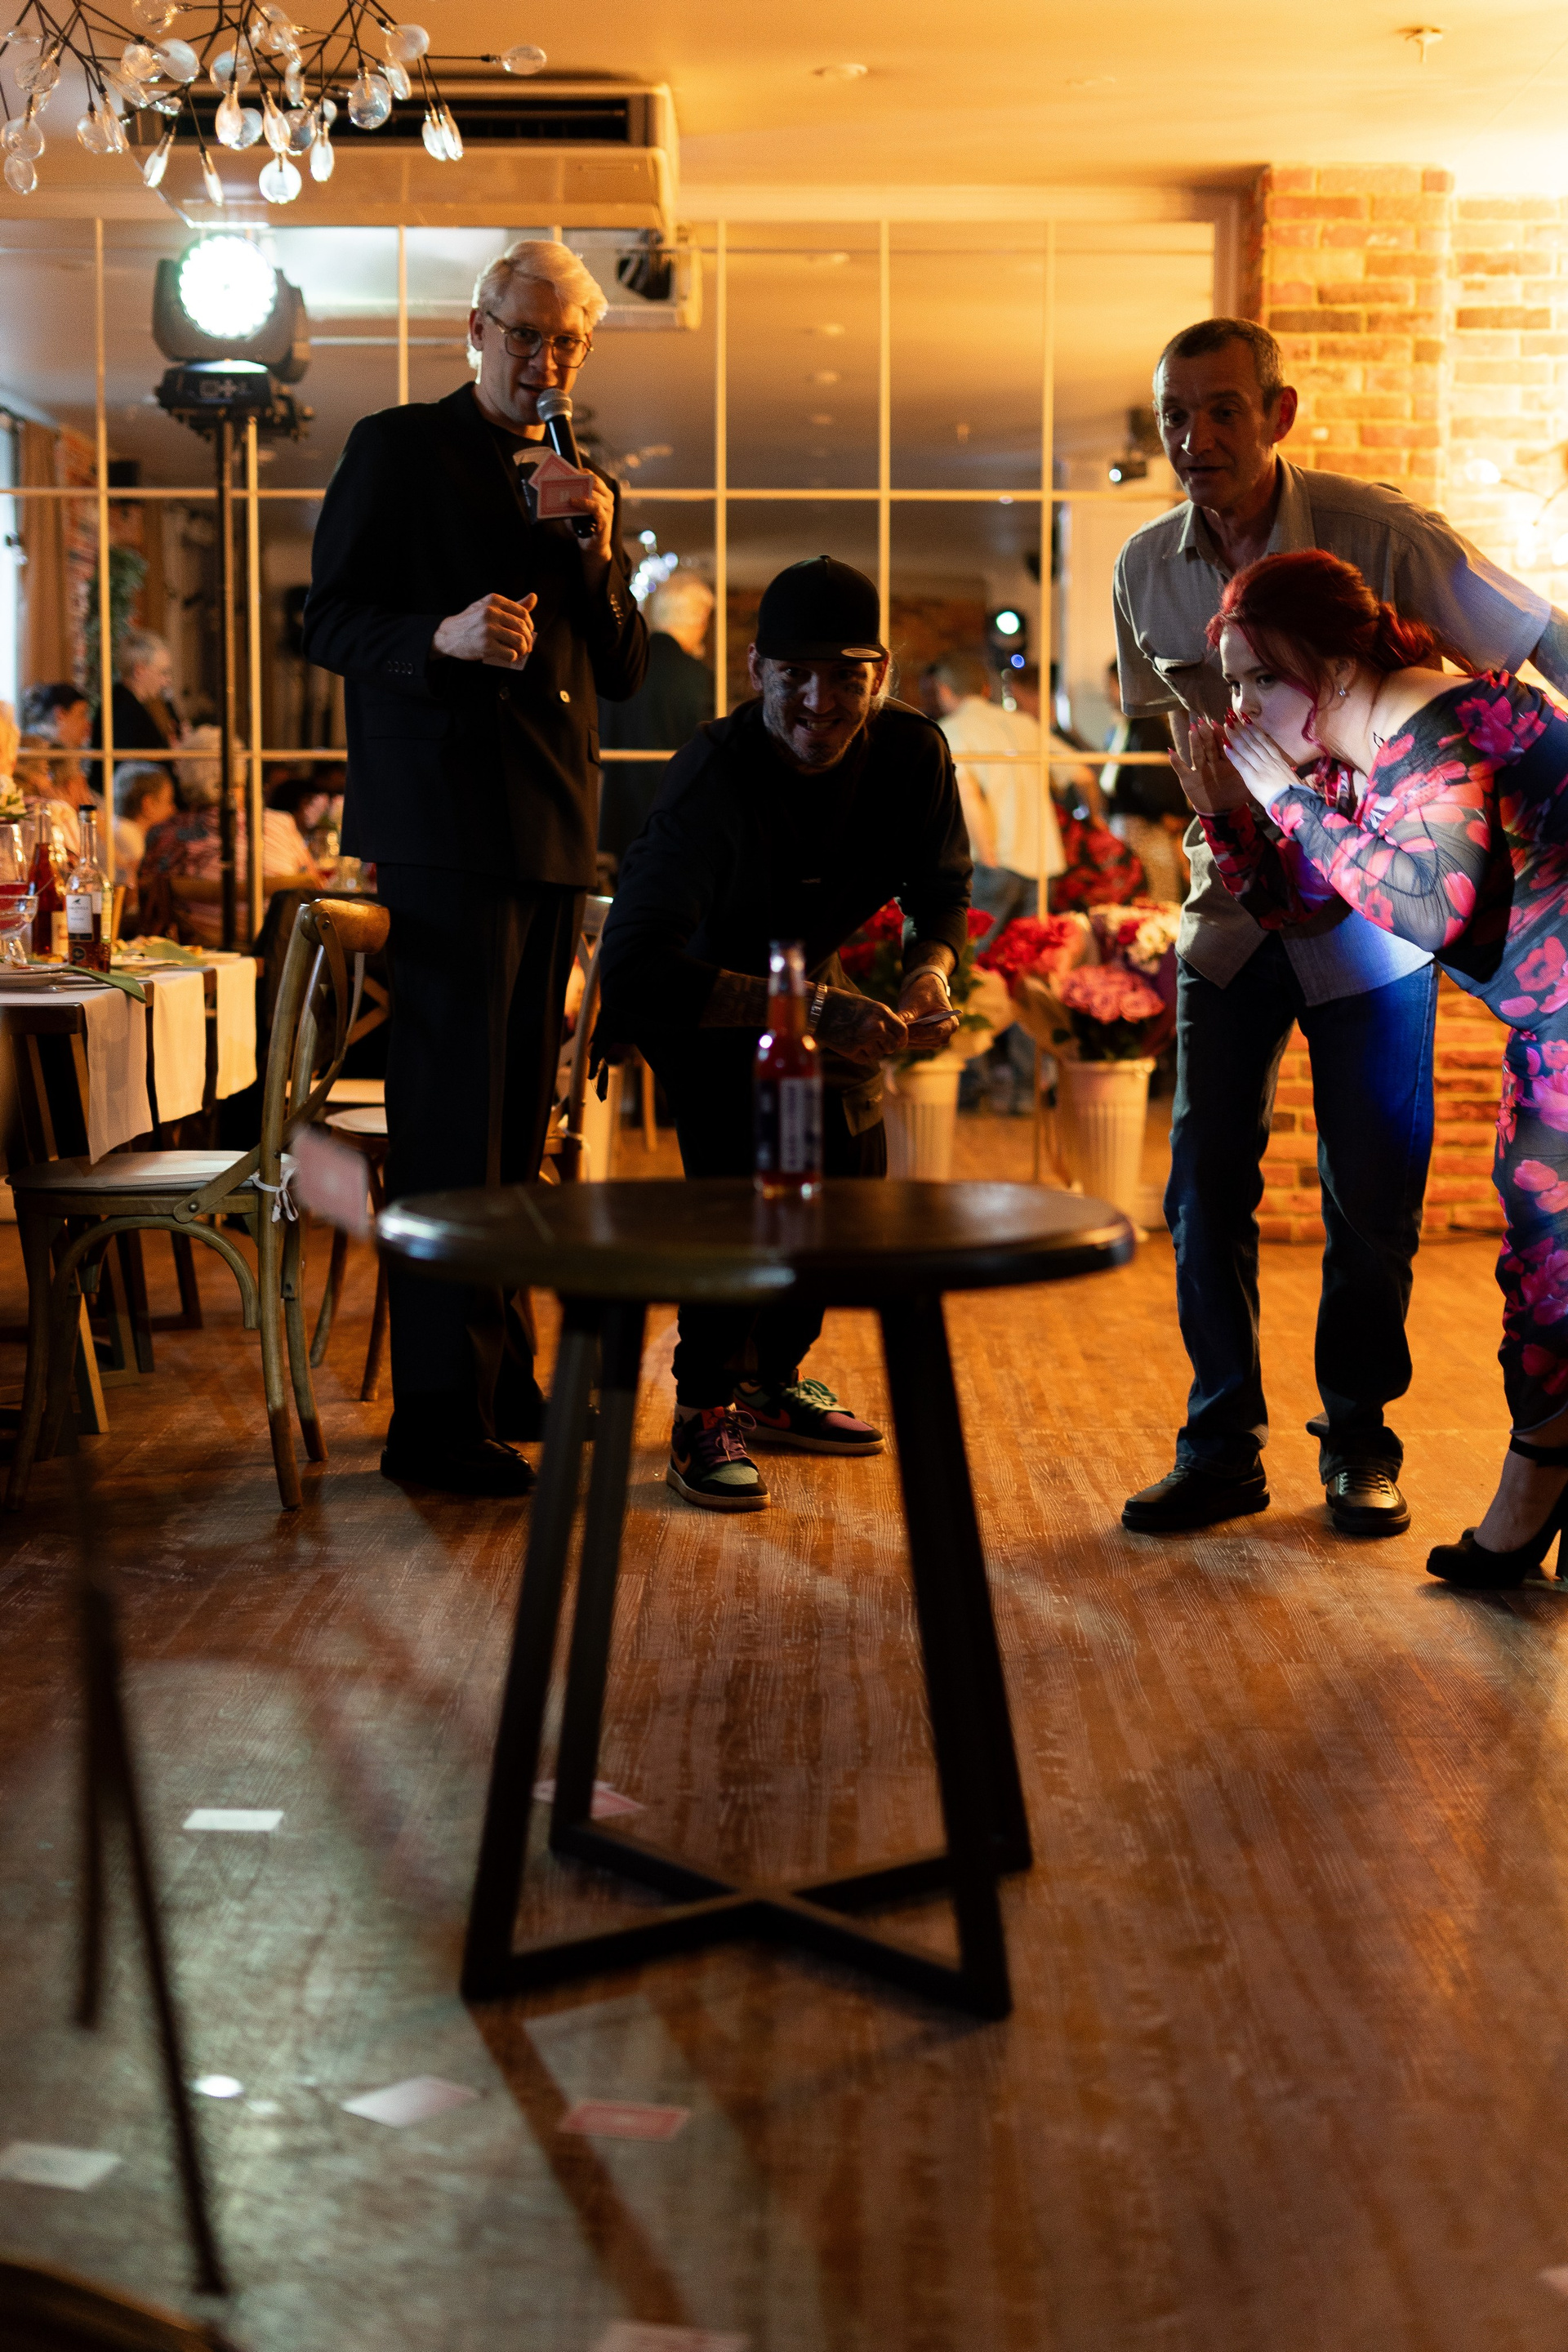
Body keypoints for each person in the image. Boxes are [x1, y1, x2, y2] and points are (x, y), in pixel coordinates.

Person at [1113, 314, 1568, 1539]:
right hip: (1238, 908)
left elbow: (1535, 643)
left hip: (1381, 906)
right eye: (1174, 417)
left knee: (1373, 1195)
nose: (1195, 438)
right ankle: (1220, 1446)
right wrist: (1230, 819)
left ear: (1279, 414)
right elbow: (1179, 745)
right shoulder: (1144, 569)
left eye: (1221, 410)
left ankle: (1360, 1441)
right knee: (1205, 1185)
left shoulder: (1380, 537)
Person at [302, 237, 648, 1499]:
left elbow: (622, 668)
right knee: (449, 1130)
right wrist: (438, 637)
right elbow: (326, 619)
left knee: (513, 1134)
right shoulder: (398, 448)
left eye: (567, 343)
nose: (544, 360)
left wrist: (598, 551)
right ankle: (434, 1418)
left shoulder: (584, 480)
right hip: (442, 829)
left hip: (551, 832)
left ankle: (502, 1385)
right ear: (478, 329)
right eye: (525, 335)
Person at [1185, 550, 1568, 1588]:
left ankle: (1528, 1503)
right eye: (1233, 684)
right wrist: (1232, 809)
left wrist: (1282, 796)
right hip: (1552, 1025)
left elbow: (1431, 907)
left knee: (1552, 1278)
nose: (1242, 706)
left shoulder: (1435, 722)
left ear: (1338, 663)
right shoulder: (1362, 752)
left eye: (1262, 678)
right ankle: (1539, 1499)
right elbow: (1302, 906)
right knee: (1550, 1272)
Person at [597, 555, 970, 1512]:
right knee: (749, 1181)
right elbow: (633, 967)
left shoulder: (911, 754)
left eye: (846, 676)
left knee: (848, 1171)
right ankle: (702, 1407)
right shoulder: (711, 776)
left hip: (808, 974)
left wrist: (929, 973)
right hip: (698, 987)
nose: (819, 701)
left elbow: (940, 892)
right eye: (795, 674)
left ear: (879, 675)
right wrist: (811, 1013)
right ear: (756, 669)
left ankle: (771, 1380)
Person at [136, 728, 321, 946]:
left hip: (196, 954)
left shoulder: (163, 835)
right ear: (240, 773)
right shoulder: (280, 824)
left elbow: (147, 901)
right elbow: (315, 887)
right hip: (278, 952)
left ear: (183, 778)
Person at [931, 652, 1064, 938]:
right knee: (1033, 953)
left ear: (944, 689)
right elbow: (1083, 774)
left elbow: (967, 794)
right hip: (1045, 861)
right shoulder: (1023, 724)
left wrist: (987, 857)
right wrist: (1096, 821)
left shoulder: (951, 730)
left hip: (996, 861)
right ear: (985, 688)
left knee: (980, 953)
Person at [597, 570, 715, 866]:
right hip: (673, 814)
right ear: (699, 619)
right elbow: (706, 754)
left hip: (615, 813)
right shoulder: (698, 677)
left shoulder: (623, 667)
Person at [1102, 656, 1188, 903]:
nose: (1108, 694)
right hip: (1130, 825)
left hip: (1147, 826)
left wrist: (1167, 811)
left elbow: (1154, 779)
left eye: (1112, 685)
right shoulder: (1122, 727)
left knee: (1157, 894)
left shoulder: (1147, 725)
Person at [19, 682, 99, 853]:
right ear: (60, 714)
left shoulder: (61, 752)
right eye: (81, 715)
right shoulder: (48, 752)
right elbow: (82, 804)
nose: (88, 725)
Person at [97, 629, 181, 763]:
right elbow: (131, 763)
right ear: (139, 671)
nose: (167, 681)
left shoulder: (135, 704)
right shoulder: (121, 709)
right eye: (163, 672)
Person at [113, 760, 176, 920]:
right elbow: (133, 902)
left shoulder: (116, 827)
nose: (173, 809)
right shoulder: (133, 840)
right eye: (168, 801)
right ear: (148, 804)